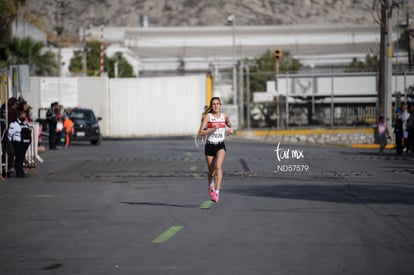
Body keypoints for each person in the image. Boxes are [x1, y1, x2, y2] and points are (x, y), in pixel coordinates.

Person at [198, 97, 234, 203]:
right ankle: (210, 185)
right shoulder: (208, 117)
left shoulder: (224, 116)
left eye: (218, 104)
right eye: (214, 104)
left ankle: (217, 192)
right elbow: (200, 132)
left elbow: (229, 124)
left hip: (220, 146)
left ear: (220, 105)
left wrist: (231, 129)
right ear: (211, 106)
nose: (216, 106)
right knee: (211, 172)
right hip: (209, 146)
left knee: (218, 166)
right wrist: (213, 128)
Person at [8, 110, 32, 178]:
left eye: (24, 114)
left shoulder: (26, 123)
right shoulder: (14, 123)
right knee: (19, 158)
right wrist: (11, 141)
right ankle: (19, 173)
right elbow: (10, 133)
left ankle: (20, 171)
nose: (23, 116)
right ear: (19, 115)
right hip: (18, 143)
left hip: (25, 143)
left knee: (21, 158)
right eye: (22, 115)